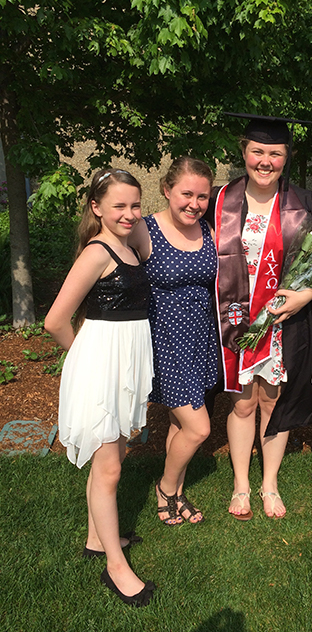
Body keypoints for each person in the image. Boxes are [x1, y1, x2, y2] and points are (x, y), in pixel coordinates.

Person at [207, 114, 312, 520]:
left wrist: (305, 296)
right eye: (257, 151)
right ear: (243, 152)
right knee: (242, 404)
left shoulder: (307, 203)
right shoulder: (216, 200)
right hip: (236, 322)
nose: (265, 160)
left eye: (274, 153)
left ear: (286, 157)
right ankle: (242, 485)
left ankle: (270, 484)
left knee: (274, 401)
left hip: (283, 324)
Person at [45, 168, 155, 607]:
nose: (129, 213)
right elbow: (55, 320)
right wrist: (85, 362)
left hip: (125, 363)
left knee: (113, 458)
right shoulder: (98, 252)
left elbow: (149, 224)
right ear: (96, 208)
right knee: (109, 468)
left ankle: (96, 539)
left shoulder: (128, 244)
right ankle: (115, 566)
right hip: (100, 365)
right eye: (118, 206)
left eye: (135, 204)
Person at [130, 157, 218, 525]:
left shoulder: (209, 230)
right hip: (165, 342)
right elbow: (104, 255)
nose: (194, 204)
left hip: (200, 338)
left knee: (181, 425)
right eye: (186, 194)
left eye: (202, 196)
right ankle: (166, 488)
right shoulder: (143, 230)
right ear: (167, 190)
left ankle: (178, 493)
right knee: (199, 428)